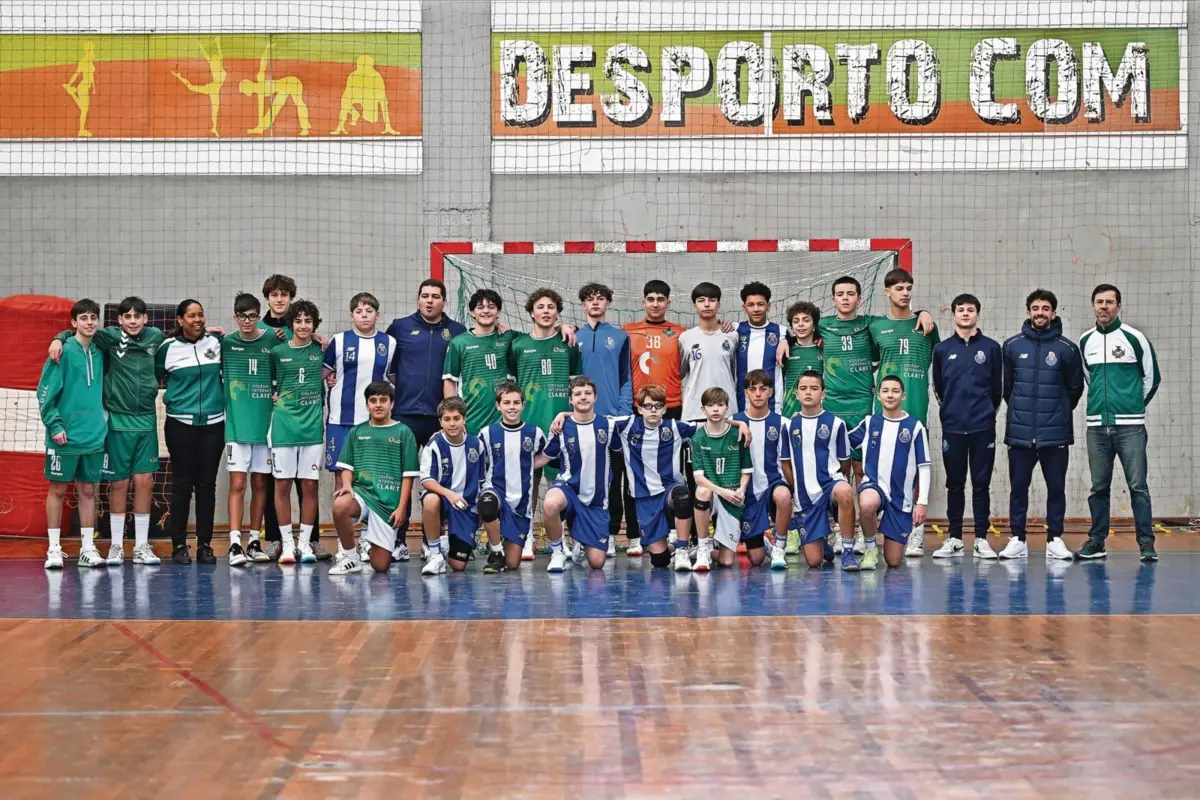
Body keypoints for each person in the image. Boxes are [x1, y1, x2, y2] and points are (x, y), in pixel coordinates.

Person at [816, 276, 932, 553]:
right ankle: (840, 529)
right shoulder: (823, 325)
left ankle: (892, 530)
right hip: (835, 406)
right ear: (833, 299)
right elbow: (798, 330)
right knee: (838, 469)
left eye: (851, 293)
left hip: (866, 403)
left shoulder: (871, 323)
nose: (845, 298)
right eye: (840, 294)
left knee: (872, 469)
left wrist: (923, 312)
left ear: (859, 298)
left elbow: (903, 321)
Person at [48, 296, 163, 566]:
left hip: (146, 420)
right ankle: (115, 546)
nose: (133, 321)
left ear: (146, 319)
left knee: (145, 482)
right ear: (119, 320)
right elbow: (78, 331)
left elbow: (182, 335)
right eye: (128, 317)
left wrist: (210, 333)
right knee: (119, 483)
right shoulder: (108, 338)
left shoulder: (156, 337)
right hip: (117, 422)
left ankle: (142, 546)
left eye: (138, 316)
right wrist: (57, 338)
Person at [1076, 284, 1161, 562]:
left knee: (1138, 486)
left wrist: (1134, 406)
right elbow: (1089, 378)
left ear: (1119, 306)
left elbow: (1151, 378)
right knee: (1099, 487)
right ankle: (1097, 542)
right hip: (1097, 427)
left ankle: (1146, 543)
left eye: (1109, 302)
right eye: (1099, 302)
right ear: (1093, 306)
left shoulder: (1135, 338)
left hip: (1131, 427)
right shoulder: (1085, 341)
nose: (1104, 307)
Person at [386, 279, 467, 560]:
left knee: (441, 480)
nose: (430, 301)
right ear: (418, 299)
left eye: (435, 296)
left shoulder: (457, 332)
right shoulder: (400, 327)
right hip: (405, 417)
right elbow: (387, 368)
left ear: (444, 301)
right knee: (403, 480)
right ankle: (397, 540)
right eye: (425, 296)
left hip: (440, 420)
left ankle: (433, 540)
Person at [1001, 289, 1084, 561]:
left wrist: (1056, 412)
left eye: (1045, 308)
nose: (1040, 312)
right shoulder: (1012, 346)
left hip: (1055, 434)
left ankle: (1055, 539)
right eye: (1035, 308)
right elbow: (1006, 389)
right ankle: (1017, 539)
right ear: (1028, 312)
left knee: (1056, 488)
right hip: (1020, 433)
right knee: (1018, 489)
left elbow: (1074, 389)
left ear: (1054, 313)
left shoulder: (1068, 349)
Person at [869, 268, 940, 557]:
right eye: (898, 288)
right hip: (881, 413)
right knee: (876, 470)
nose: (905, 292)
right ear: (887, 292)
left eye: (909, 287)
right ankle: (869, 533)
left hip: (915, 408)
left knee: (912, 471)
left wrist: (923, 312)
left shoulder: (927, 326)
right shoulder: (875, 327)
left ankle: (915, 533)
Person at [508, 287, 583, 560]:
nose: (546, 311)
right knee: (528, 485)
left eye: (551, 307)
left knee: (562, 486)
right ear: (531, 312)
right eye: (540, 307)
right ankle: (526, 538)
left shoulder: (569, 344)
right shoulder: (517, 345)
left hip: (561, 426)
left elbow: (578, 387)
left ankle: (563, 540)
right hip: (529, 426)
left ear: (558, 312)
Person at [323, 292, 397, 558]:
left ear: (377, 314)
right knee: (341, 482)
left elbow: (393, 379)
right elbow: (324, 374)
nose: (364, 315)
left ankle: (368, 540)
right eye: (359, 311)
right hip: (341, 421)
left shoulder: (389, 343)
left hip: (374, 424)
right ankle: (346, 545)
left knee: (372, 481)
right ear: (351, 315)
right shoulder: (339, 341)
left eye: (369, 310)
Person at [931, 293, 1002, 560]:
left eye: (970, 310)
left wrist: (985, 414)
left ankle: (982, 538)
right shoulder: (942, 349)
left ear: (977, 314)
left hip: (983, 427)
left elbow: (998, 390)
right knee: (955, 484)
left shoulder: (992, 348)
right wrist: (951, 412)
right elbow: (939, 388)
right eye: (960, 310)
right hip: (953, 427)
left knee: (981, 484)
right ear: (953, 314)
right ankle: (955, 538)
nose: (965, 314)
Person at [155, 299, 225, 565]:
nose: (197, 320)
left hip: (214, 425)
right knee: (182, 485)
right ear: (180, 320)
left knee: (207, 486)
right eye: (192, 316)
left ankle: (205, 546)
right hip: (180, 425)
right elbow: (153, 375)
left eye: (201, 315)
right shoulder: (167, 348)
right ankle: (178, 546)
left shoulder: (217, 343)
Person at [39, 299, 107, 569]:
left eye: (93, 317)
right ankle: (53, 549)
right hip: (64, 435)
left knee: (88, 490)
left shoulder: (102, 351)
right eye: (84, 318)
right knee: (57, 488)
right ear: (74, 322)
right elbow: (45, 393)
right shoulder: (62, 352)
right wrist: (55, 426)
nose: (89, 322)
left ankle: (87, 549)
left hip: (93, 436)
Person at [329, 382, 420, 575]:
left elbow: (408, 476)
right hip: (362, 495)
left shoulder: (404, 432)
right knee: (340, 504)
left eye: (383, 400)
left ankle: (371, 540)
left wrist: (401, 508)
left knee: (380, 566)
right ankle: (351, 556)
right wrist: (346, 485)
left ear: (392, 404)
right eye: (373, 401)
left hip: (387, 504)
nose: (378, 405)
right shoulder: (357, 431)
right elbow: (346, 467)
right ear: (367, 404)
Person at [847, 376, 932, 570]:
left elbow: (924, 466)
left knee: (893, 562)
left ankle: (890, 541)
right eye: (885, 391)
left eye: (895, 391)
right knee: (867, 504)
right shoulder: (870, 423)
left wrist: (922, 502)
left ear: (903, 395)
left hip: (900, 498)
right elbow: (840, 439)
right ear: (878, 396)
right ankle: (870, 548)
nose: (890, 395)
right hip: (873, 485)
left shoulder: (915, 427)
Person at [609, 385, 696, 569]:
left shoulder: (675, 427)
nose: (654, 410)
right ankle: (675, 548)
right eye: (648, 406)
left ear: (665, 409)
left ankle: (682, 549)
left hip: (670, 489)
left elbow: (712, 423)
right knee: (660, 561)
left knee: (683, 496)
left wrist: (741, 424)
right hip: (645, 497)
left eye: (658, 405)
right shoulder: (627, 425)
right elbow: (592, 420)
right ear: (639, 409)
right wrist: (564, 415)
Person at [576, 282, 634, 557]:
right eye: (590, 299)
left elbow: (626, 377)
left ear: (608, 303)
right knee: (584, 480)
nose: (595, 303)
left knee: (615, 480)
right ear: (583, 305)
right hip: (583, 420)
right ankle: (579, 536)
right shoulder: (573, 336)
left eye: (600, 298)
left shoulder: (621, 337)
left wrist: (623, 411)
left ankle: (610, 535)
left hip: (613, 420)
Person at [541, 377, 622, 572]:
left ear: (595, 397)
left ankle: (581, 542)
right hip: (569, 489)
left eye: (587, 393)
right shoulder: (561, 428)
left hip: (596, 501)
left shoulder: (609, 426)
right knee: (550, 504)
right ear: (570, 399)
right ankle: (558, 552)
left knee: (597, 563)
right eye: (577, 394)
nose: (583, 397)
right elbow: (542, 458)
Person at [222, 293, 277, 566]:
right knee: (238, 483)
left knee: (260, 484)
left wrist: (317, 339)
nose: (247, 321)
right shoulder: (226, 343)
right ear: (235, 317)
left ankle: (254, 540)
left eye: (252, 316)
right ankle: (234, 543)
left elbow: (298, 341)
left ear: (259, 316)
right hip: (236, 426)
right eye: (242, 316)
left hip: (265, 427)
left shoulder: (272, 338)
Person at [269, 300, 325, 565]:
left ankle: (305, 543)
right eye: (298, 321)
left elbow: (334, 372)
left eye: (308, 321)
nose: (303, 326)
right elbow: (269, 384)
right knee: (282, 484)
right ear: (290, 324)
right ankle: (287, 544)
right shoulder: (277, 352)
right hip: (283, 426)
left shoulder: (322, 349)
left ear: (314, 324)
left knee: (309, 485)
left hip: (312, 428)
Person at [782, 370, 855, 569]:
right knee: (814, 562)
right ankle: (822, 541)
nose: (808, 393)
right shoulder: (789, 426)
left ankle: (848, 550)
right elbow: (785, 463)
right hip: (806, 497)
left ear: (823, 394)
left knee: (845, 491)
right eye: (803, 388)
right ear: (796, 393)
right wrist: (797, 487)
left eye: (814, 389)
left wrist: (839, 481)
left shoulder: (837, 424)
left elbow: (845, 464)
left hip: (830, 486)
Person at [477, 381, 551, 573]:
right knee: (486, 502)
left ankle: (502, 549)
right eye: (507, 402)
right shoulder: (487, 433)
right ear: (498, 405)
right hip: (496, 492)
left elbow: (546, 455)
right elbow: (478, 462)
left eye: (516, 403)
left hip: (520, 503)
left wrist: (526, 465)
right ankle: (496, 549)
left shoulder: (534, 433)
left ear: (522, 405)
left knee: (513, 564)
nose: (512, 407)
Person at [732, 370, 794, 569]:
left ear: (770, 392)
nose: (758, 394)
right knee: (756, 560)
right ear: (746, 393)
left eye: (762, 389)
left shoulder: (783, 423)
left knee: (784, 496)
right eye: (752, 389)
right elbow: (712, 420)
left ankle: (779, 547)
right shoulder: (734, 422)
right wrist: (735, 422)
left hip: (773, 484)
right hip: (747, 491)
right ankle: (763, 543)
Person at [419, 397, 487, 575]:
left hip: (465, 505)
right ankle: (434, 555)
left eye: (456, 418)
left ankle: (447, 544)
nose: (452, 424)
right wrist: (449, 494)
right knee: (431, 500)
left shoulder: (476, 445)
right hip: (442, 500)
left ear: (464, 419)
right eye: (447, 419)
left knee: (458, 566)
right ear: (440, 422)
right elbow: (426, 480)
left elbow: (481, 481)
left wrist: (480, 509)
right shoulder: (433, 445)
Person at [690, 387, 752, 572]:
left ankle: (708, 551)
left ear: (727, 408)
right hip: (714, 493)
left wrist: (741, 490)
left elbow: (746, 471)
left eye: (720, 405)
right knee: (702, 491)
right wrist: (721, 491)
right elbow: (699, 478)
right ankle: (702, 547)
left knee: (726, 562)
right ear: (703, 410)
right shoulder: (699, 437)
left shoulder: (738, 434)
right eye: (710, 405)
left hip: (732, 494)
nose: (715, 409)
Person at [443, 288, 517, 435]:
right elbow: (449, 381)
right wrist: (454, 417)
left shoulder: (508, 337)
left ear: (498, 312)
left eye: (491, 307)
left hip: (503, 420)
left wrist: (563, 327)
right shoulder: (459, 343)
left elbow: (538, 335)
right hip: (472, 420)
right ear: (472, 312)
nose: (486, 311)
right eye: (480, 307)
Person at [624, 280, 688, 420]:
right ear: (644, 303)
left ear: (668, 304)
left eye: (660, 300)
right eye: (650, 299)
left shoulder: (680, 332)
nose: (655, 304)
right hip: (638, 404)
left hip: (670, 404)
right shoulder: (628, 331)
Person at [679, 283, 738, 424]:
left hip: (726, 411)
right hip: (694, 412)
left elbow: (734, 371)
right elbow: (680, 374)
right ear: (694, 306)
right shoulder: (685, 338)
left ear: (718, 305)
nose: (706, 304)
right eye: (701, 300)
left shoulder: (732, 335)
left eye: (711, 300)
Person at [734, 282, 785, 414]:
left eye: (760, 304)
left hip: (773, 407)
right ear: (744, 308)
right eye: (751, 305)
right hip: (740, 407)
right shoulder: (734, 331)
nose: (756, 309)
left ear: (768, 307)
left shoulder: (782, 332)